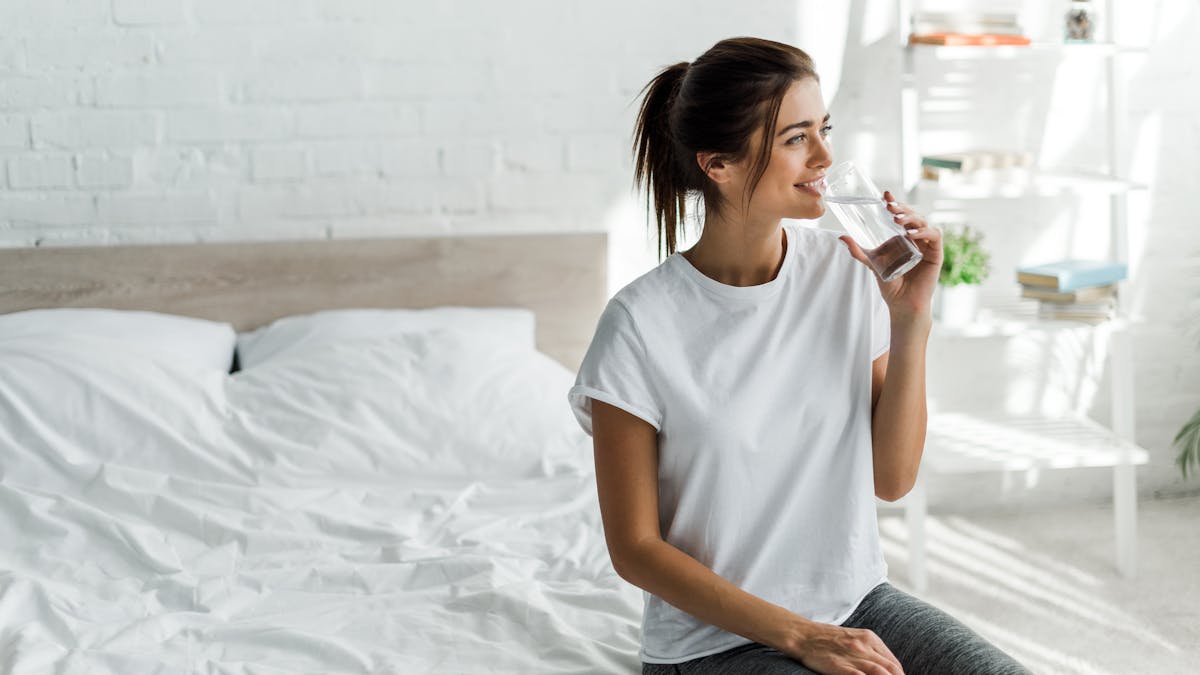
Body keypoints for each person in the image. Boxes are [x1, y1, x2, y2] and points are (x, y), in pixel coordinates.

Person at [566, 37, 1035, 674]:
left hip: (857, 604)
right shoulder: (639, 325)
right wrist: (800, 635)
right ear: (718, 165)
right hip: (710, 646)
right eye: (796, 138)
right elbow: (635, 549)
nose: (825, 156)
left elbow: (892, 479)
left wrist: (911, 319)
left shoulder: (848, 274)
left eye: (824, 129)